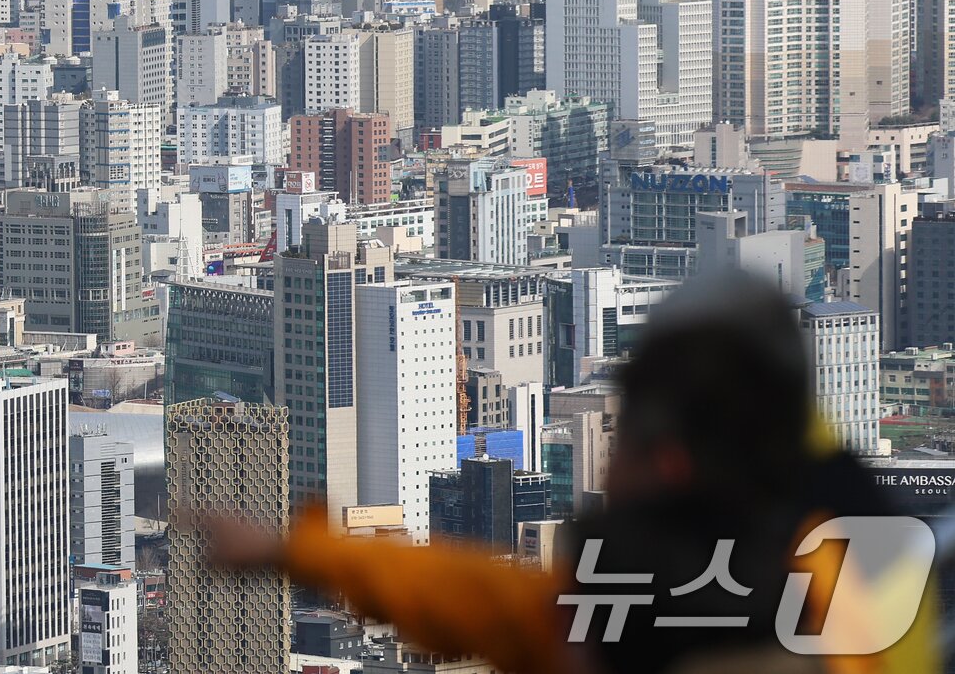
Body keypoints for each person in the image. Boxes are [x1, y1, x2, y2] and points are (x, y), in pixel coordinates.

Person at [205, 272, 939, 674]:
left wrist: (295, 551)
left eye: (622, 435)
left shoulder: (658, 592)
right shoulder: (881, 559)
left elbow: (490, 604)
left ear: (668, 460)